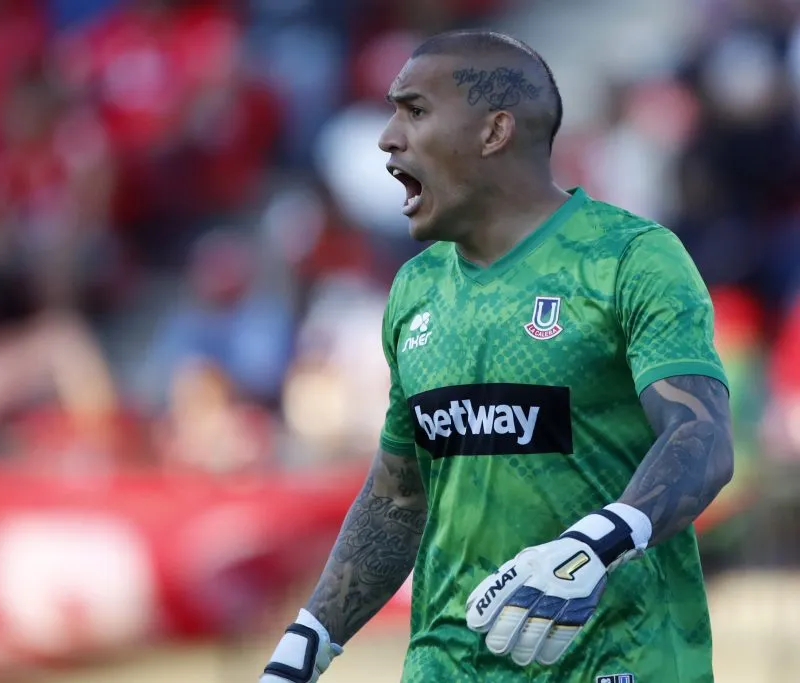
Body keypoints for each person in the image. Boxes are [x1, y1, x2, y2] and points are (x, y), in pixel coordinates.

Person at [260, 29, 733, 683]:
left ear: (493, 132)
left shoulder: (629, 258)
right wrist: (307, 642)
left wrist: (594, 545)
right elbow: (399, 499)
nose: (387, 137)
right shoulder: (415, 290)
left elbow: (701, 437)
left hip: (619, 659)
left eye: (415, 110)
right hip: (448, 665)